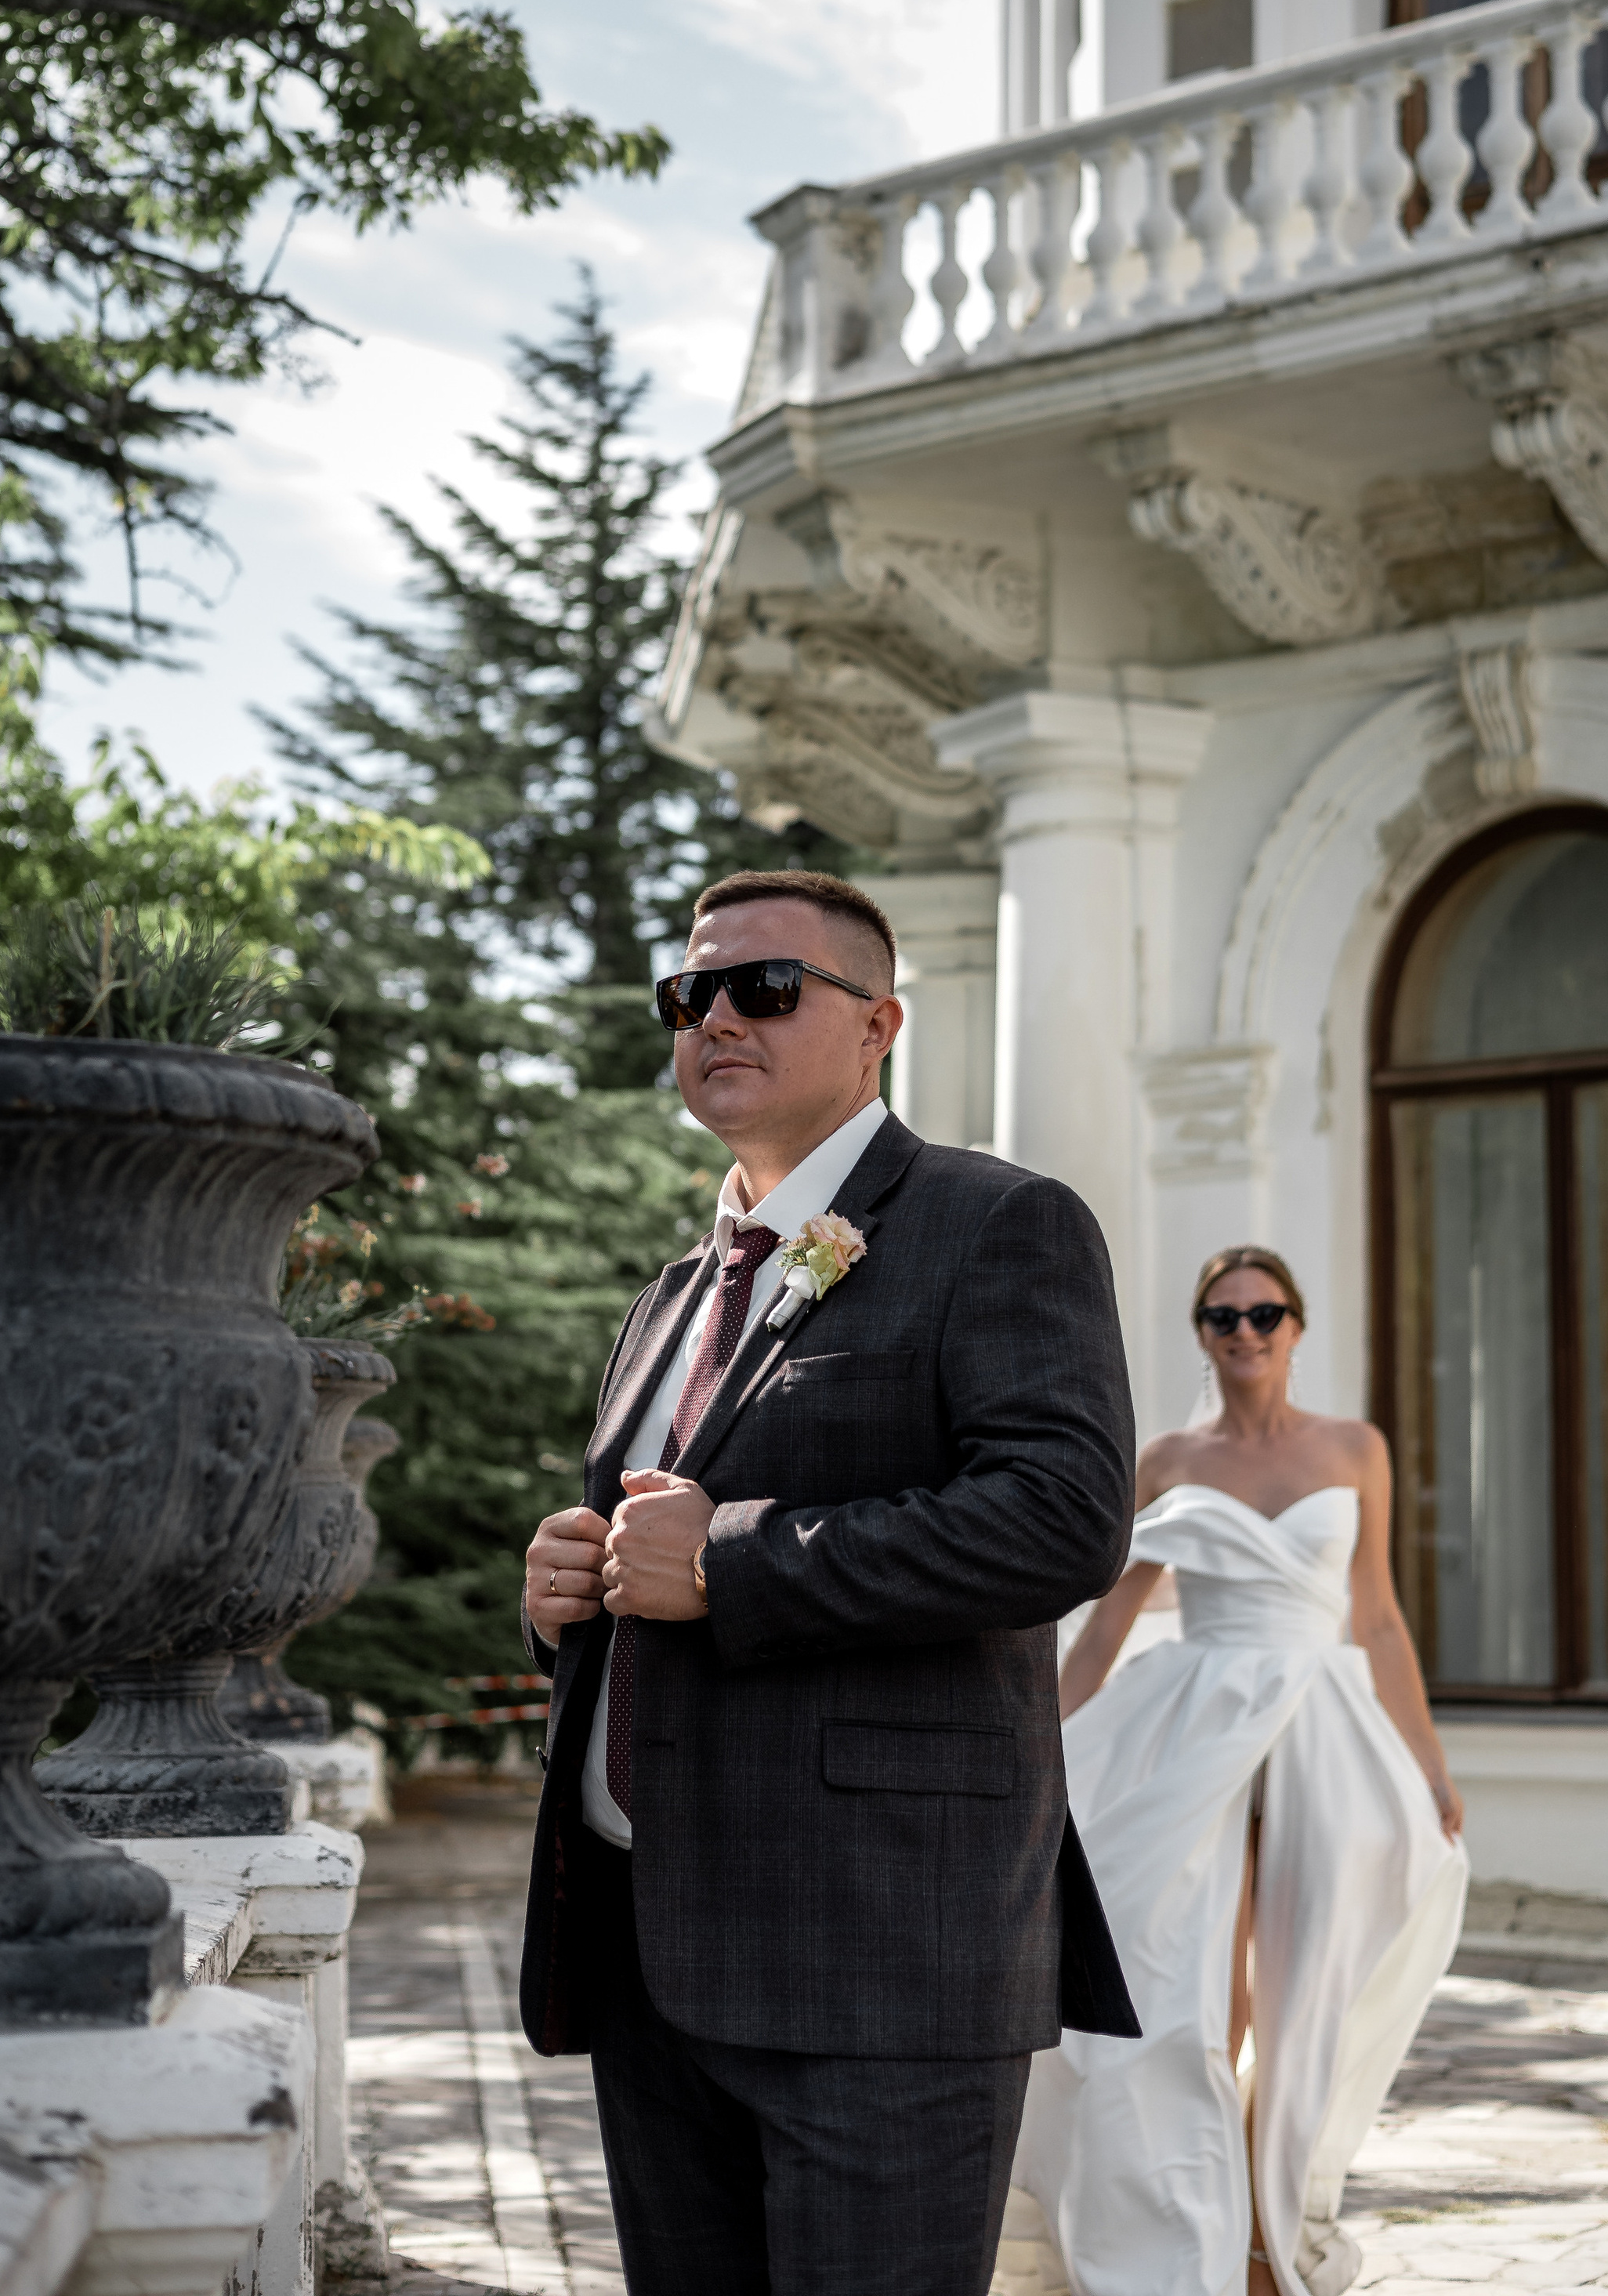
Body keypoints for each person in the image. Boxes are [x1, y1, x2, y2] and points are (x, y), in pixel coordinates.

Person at [517, 866, 1141, 2296]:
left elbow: (1061, 1520)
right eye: (692, 993)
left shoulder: (1000, 1222)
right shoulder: (670, 1298)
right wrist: (576, 1593)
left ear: (880, 1027)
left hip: (880, 1964)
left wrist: (733, 1562)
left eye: (767, 988)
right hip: (653, 1950)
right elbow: (650, 1565)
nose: (717, 1015)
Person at [1016, 1244, 1468, 2296]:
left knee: (1305, 1988)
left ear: (1297, 1328)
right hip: (1197, 1721)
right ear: (1203, 1336)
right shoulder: (1167, 1459)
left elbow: (1381, 1617)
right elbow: (1102, 1629)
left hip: (1323, 1730)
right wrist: (1039, 1747)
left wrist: (1430, 1765)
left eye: (1266, 1314)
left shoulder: (1356, 1449)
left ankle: (1270, 2236)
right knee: (1185, 1987)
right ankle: (1195, 2235)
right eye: (1224, 1318)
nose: (1246, 1333)